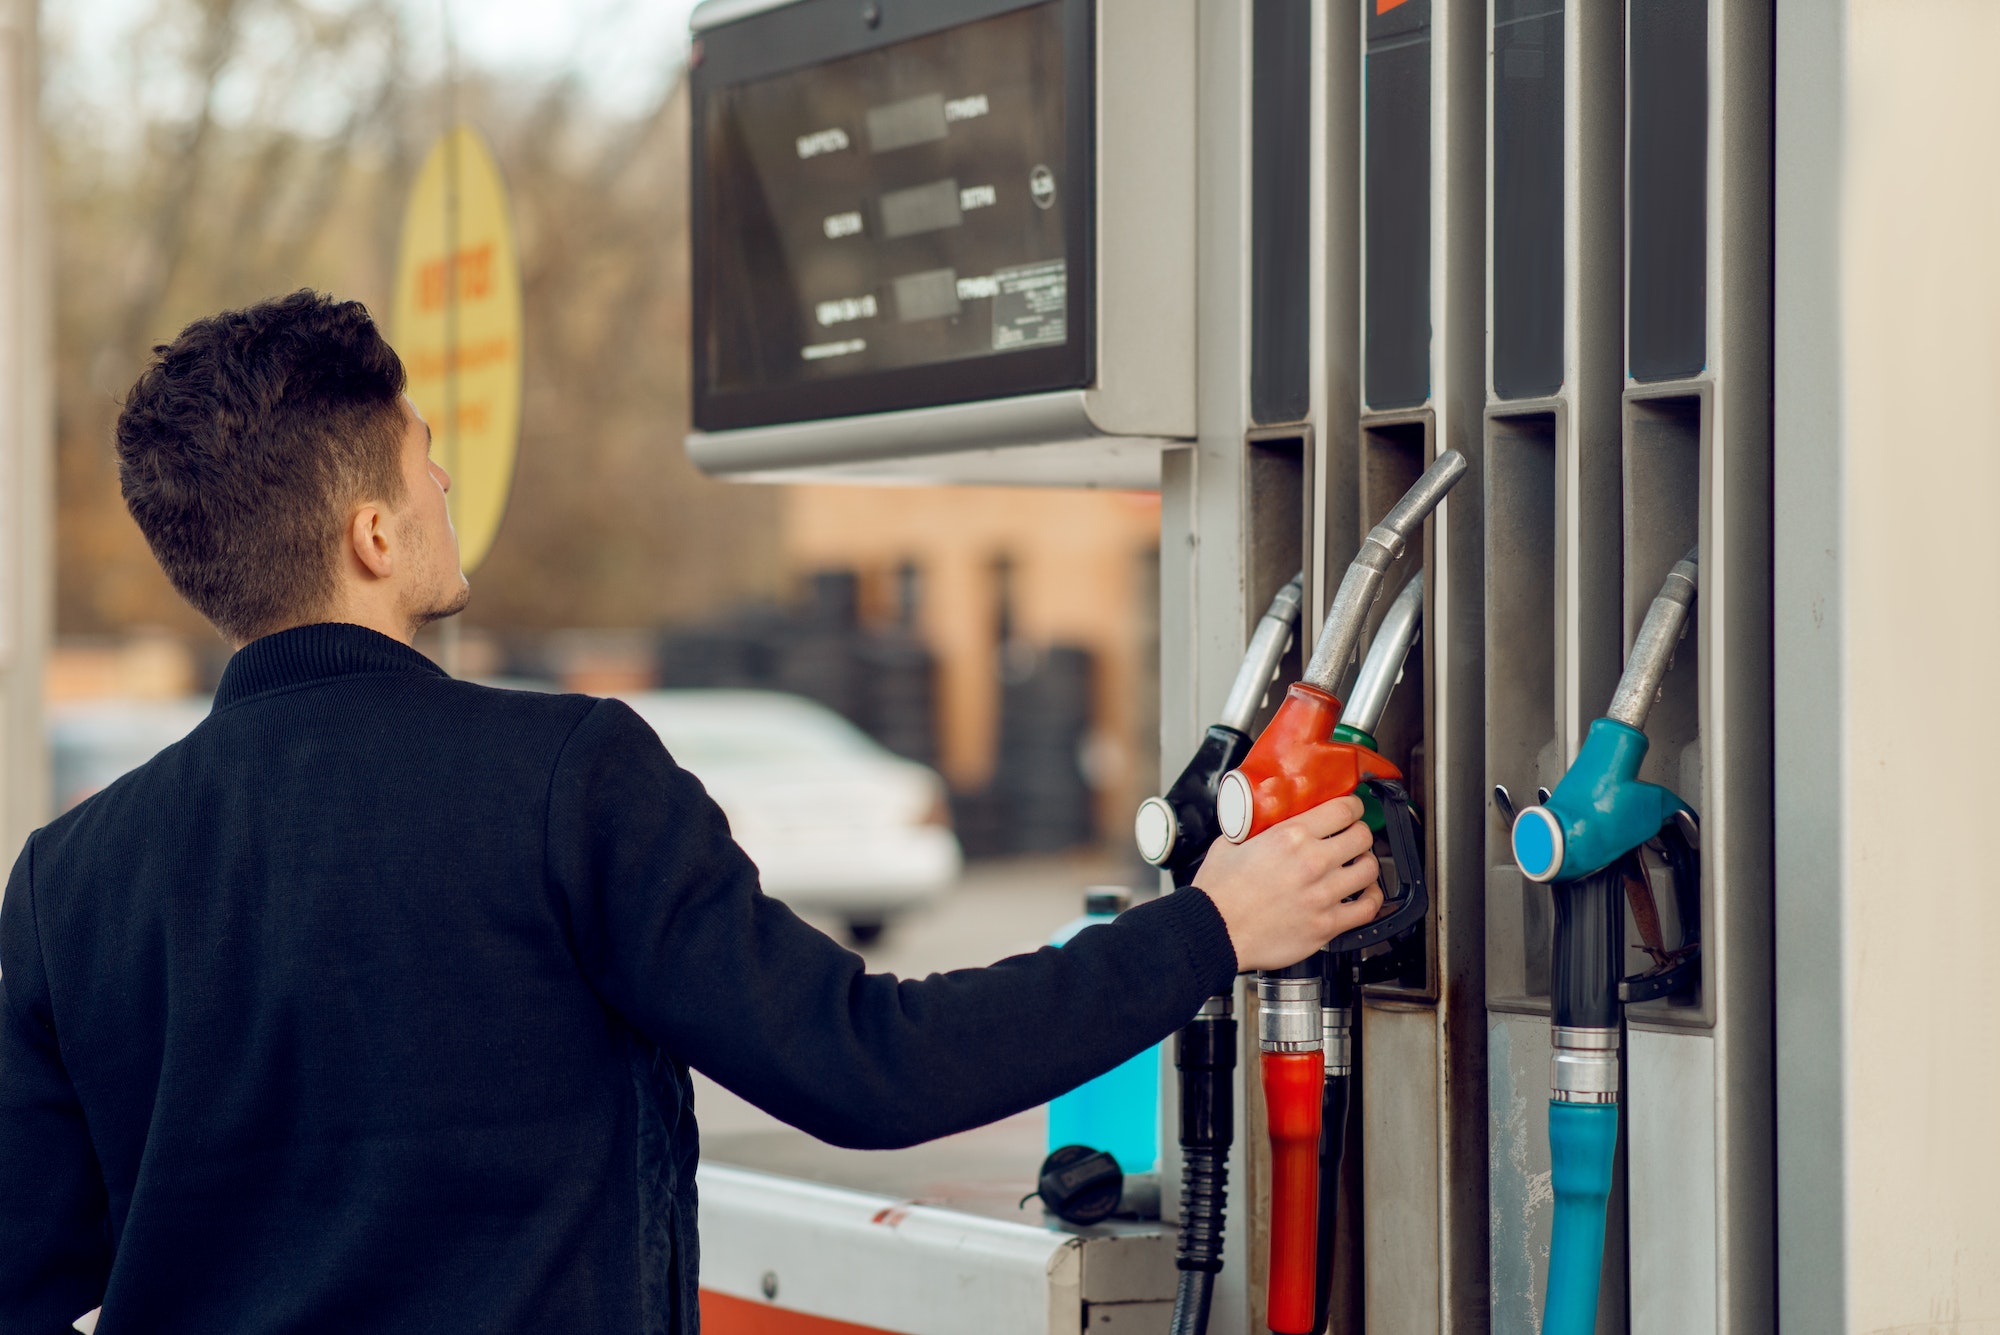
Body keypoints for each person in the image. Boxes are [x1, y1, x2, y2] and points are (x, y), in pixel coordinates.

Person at [0, 291, 1383, 1334]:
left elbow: (28, 1264)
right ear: (371, 533)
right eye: (423, 456)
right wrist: (1212, 927)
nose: (440, 482)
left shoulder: (73, 882)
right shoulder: (564, 778)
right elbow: (866, 1066)